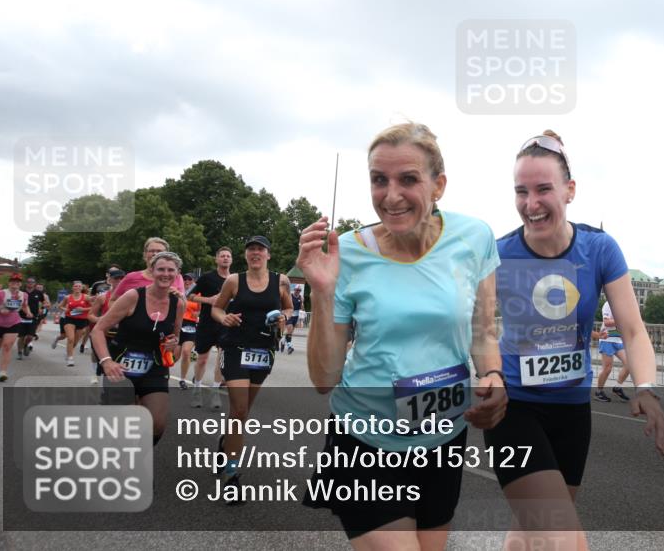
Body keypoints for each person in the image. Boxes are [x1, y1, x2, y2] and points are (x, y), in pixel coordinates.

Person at [297, 122, 506, 545]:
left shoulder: (474, 237)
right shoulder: (348, 253)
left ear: (439, 185)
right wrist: (322, 292)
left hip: (444, 438)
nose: (390, 196)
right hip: (364, 441)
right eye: (379, 180)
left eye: (408, 179)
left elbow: (483, 331)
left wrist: (494, 376)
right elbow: (324, 380)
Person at [485, 131, 664, 549]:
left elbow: (632, 329)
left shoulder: (599, 249)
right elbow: (473, 327)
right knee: (562, 535)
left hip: (571, 411)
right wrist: (486, 376)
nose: (531, 204)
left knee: (532, 529)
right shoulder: (498, 254)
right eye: (521, 191)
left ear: (570, 191)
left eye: (543, 189)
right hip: (513, 408)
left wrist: (646, 387)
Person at [210, 235, 293, 500]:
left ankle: (225, 446)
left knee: (242, 414)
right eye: (251, 250)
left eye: (260, 249)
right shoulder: (234, 281)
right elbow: (216, 309)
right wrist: (226, 318)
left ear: (268, 254)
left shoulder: (281, 280)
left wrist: (284, 318)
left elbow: (290, 308)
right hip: (235, 348)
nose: (255, 253)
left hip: (263, 351)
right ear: (245, 255)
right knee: (240, 409)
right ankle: (232, 476)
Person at [91, 252, 184, 445]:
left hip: (155, 367)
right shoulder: (133, 296)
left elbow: (175, 342)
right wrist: (106, 362)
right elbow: (98, 329)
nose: (165, 274)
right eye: (160, 269)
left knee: (157, 424)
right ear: (152, 271)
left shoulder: (178, 303)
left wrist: (173, 344)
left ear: (177, 274)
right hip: (121, 366)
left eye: (170, 270)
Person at [187, 246, 233, 409]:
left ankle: (215, 393)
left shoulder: (234, 280)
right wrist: (208, 300)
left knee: (222, 360)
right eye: (222, 256)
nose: (225, 258)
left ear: (231, 259)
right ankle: (197, 390)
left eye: (228, 256)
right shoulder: (206, 278)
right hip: (207, 323)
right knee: (202, 359)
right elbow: (189, 295)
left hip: (225, 324)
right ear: (217, 259)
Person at [0, 273, 32, 381]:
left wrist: (28, 312)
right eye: (12, 282)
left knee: (7, 346)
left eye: (17, 282)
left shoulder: (24, 295)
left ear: (20, 284)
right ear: (9, 283)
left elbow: (25, 305)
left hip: (14, 323)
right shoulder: (0, 293)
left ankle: (3, 372)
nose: (14, 284)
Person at [86, 267, 127, 384]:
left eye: (122, 278)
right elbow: (90, 315)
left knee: (119, 363)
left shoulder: (131, 297)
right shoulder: (103, 297)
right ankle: (98, 377)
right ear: (110, 280)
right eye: (116, 278)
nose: (119, 281)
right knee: (104, 365)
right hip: (104, 335)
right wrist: (101, 319)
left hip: (121, 336)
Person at [594, 299, 630, 402]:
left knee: (629, 364)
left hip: (618, 340)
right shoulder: (608, 304)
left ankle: (617, 387)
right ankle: (598, 392)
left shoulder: (624, 305)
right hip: (607, 339)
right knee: (607, 368)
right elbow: (606, 322)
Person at [57, 281, 93, 367]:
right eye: (75, 286)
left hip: (81, 320)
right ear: (73, 288)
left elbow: (94, 307)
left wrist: (83, 310)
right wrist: (65, 309)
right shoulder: (68, 297)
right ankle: (70, 358)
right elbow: (60, 306)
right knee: (70, 339)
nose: (77, 288)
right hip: (69, 319)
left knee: (75, 342)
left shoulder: (86, 297)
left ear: (82, 288)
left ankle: (69, 352)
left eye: (79, 286)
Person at [178, 273, 201, 389]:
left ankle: (182, 380)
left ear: (193, 281)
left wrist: (197, 313)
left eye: (189, 279)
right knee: (173, 357)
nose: (187, 281)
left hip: (191, 325)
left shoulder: (197, 294)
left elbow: (200, 310)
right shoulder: (178, 291)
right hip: (177, 324)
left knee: (186, 352)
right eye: (185, 278)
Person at [18, 276, 48, 358]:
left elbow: (45, 302)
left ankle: (25, 345)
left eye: (32, 282)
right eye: (28, 282)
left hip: (34, 317)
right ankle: (19, 352)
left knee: (30, 336)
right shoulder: (21, 292)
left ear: (34, 284)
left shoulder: (38, 293)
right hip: (21, 317)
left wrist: (42, 307)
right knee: (21, 336)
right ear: (26, 283)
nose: (30, 283)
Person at [281, 285, 303, 354]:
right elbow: (284, 304)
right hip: (289, 315)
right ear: (294, 290)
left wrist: (302, 303)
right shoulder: (290, 296)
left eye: (299, 290)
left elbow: (302, 308)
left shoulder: (300, 297)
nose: (298, 291)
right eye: (297, 290)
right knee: (289, 330)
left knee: (290, 332)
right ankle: (290, 347)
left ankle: (283, 341)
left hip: (295, 317)